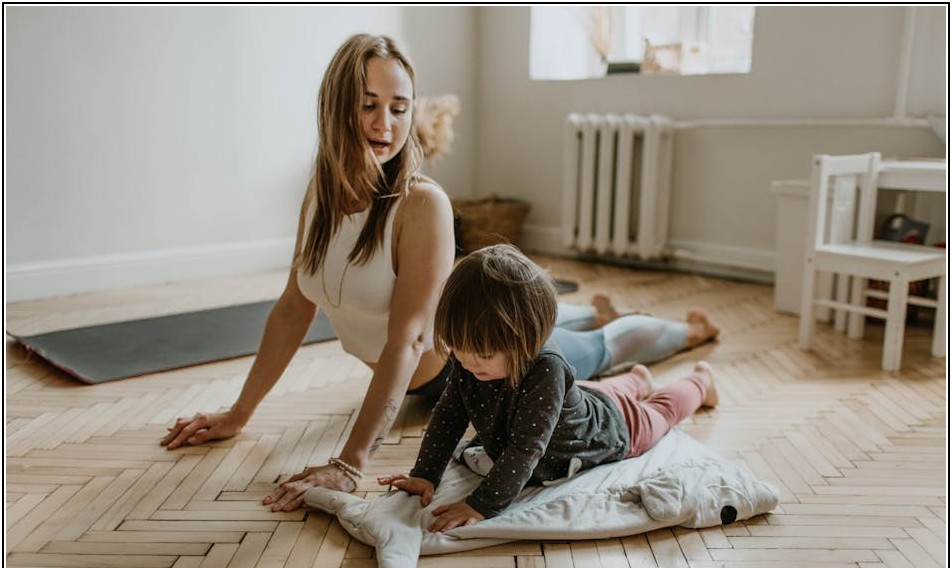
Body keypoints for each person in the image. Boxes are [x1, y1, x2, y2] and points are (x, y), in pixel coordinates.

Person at [159, 33, 718, 511]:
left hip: (484, 365)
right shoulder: (320, 197)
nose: (385, 123)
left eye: (399, 107)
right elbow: (291, 311)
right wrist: (239, 412)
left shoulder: (420, 204)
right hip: (450, 361)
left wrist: (350, 463)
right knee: (572, 330)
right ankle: (592, 322)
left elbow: (408, 338)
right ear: (335, 106)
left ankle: (686, 335)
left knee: (597, 348)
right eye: (368, 104)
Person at [378, 244, 718, 532]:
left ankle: (701, 381)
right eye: (459, 350)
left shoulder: (546, 369)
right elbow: (449, 415)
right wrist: (425, 473)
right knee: (602, 392)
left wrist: (481, 505)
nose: (468, 363)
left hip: (613, 427)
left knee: (660, 411)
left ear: (526, 340)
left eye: (481, 355)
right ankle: (638, 378)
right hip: (583, 398)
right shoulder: (470, 360)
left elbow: (526, 449)